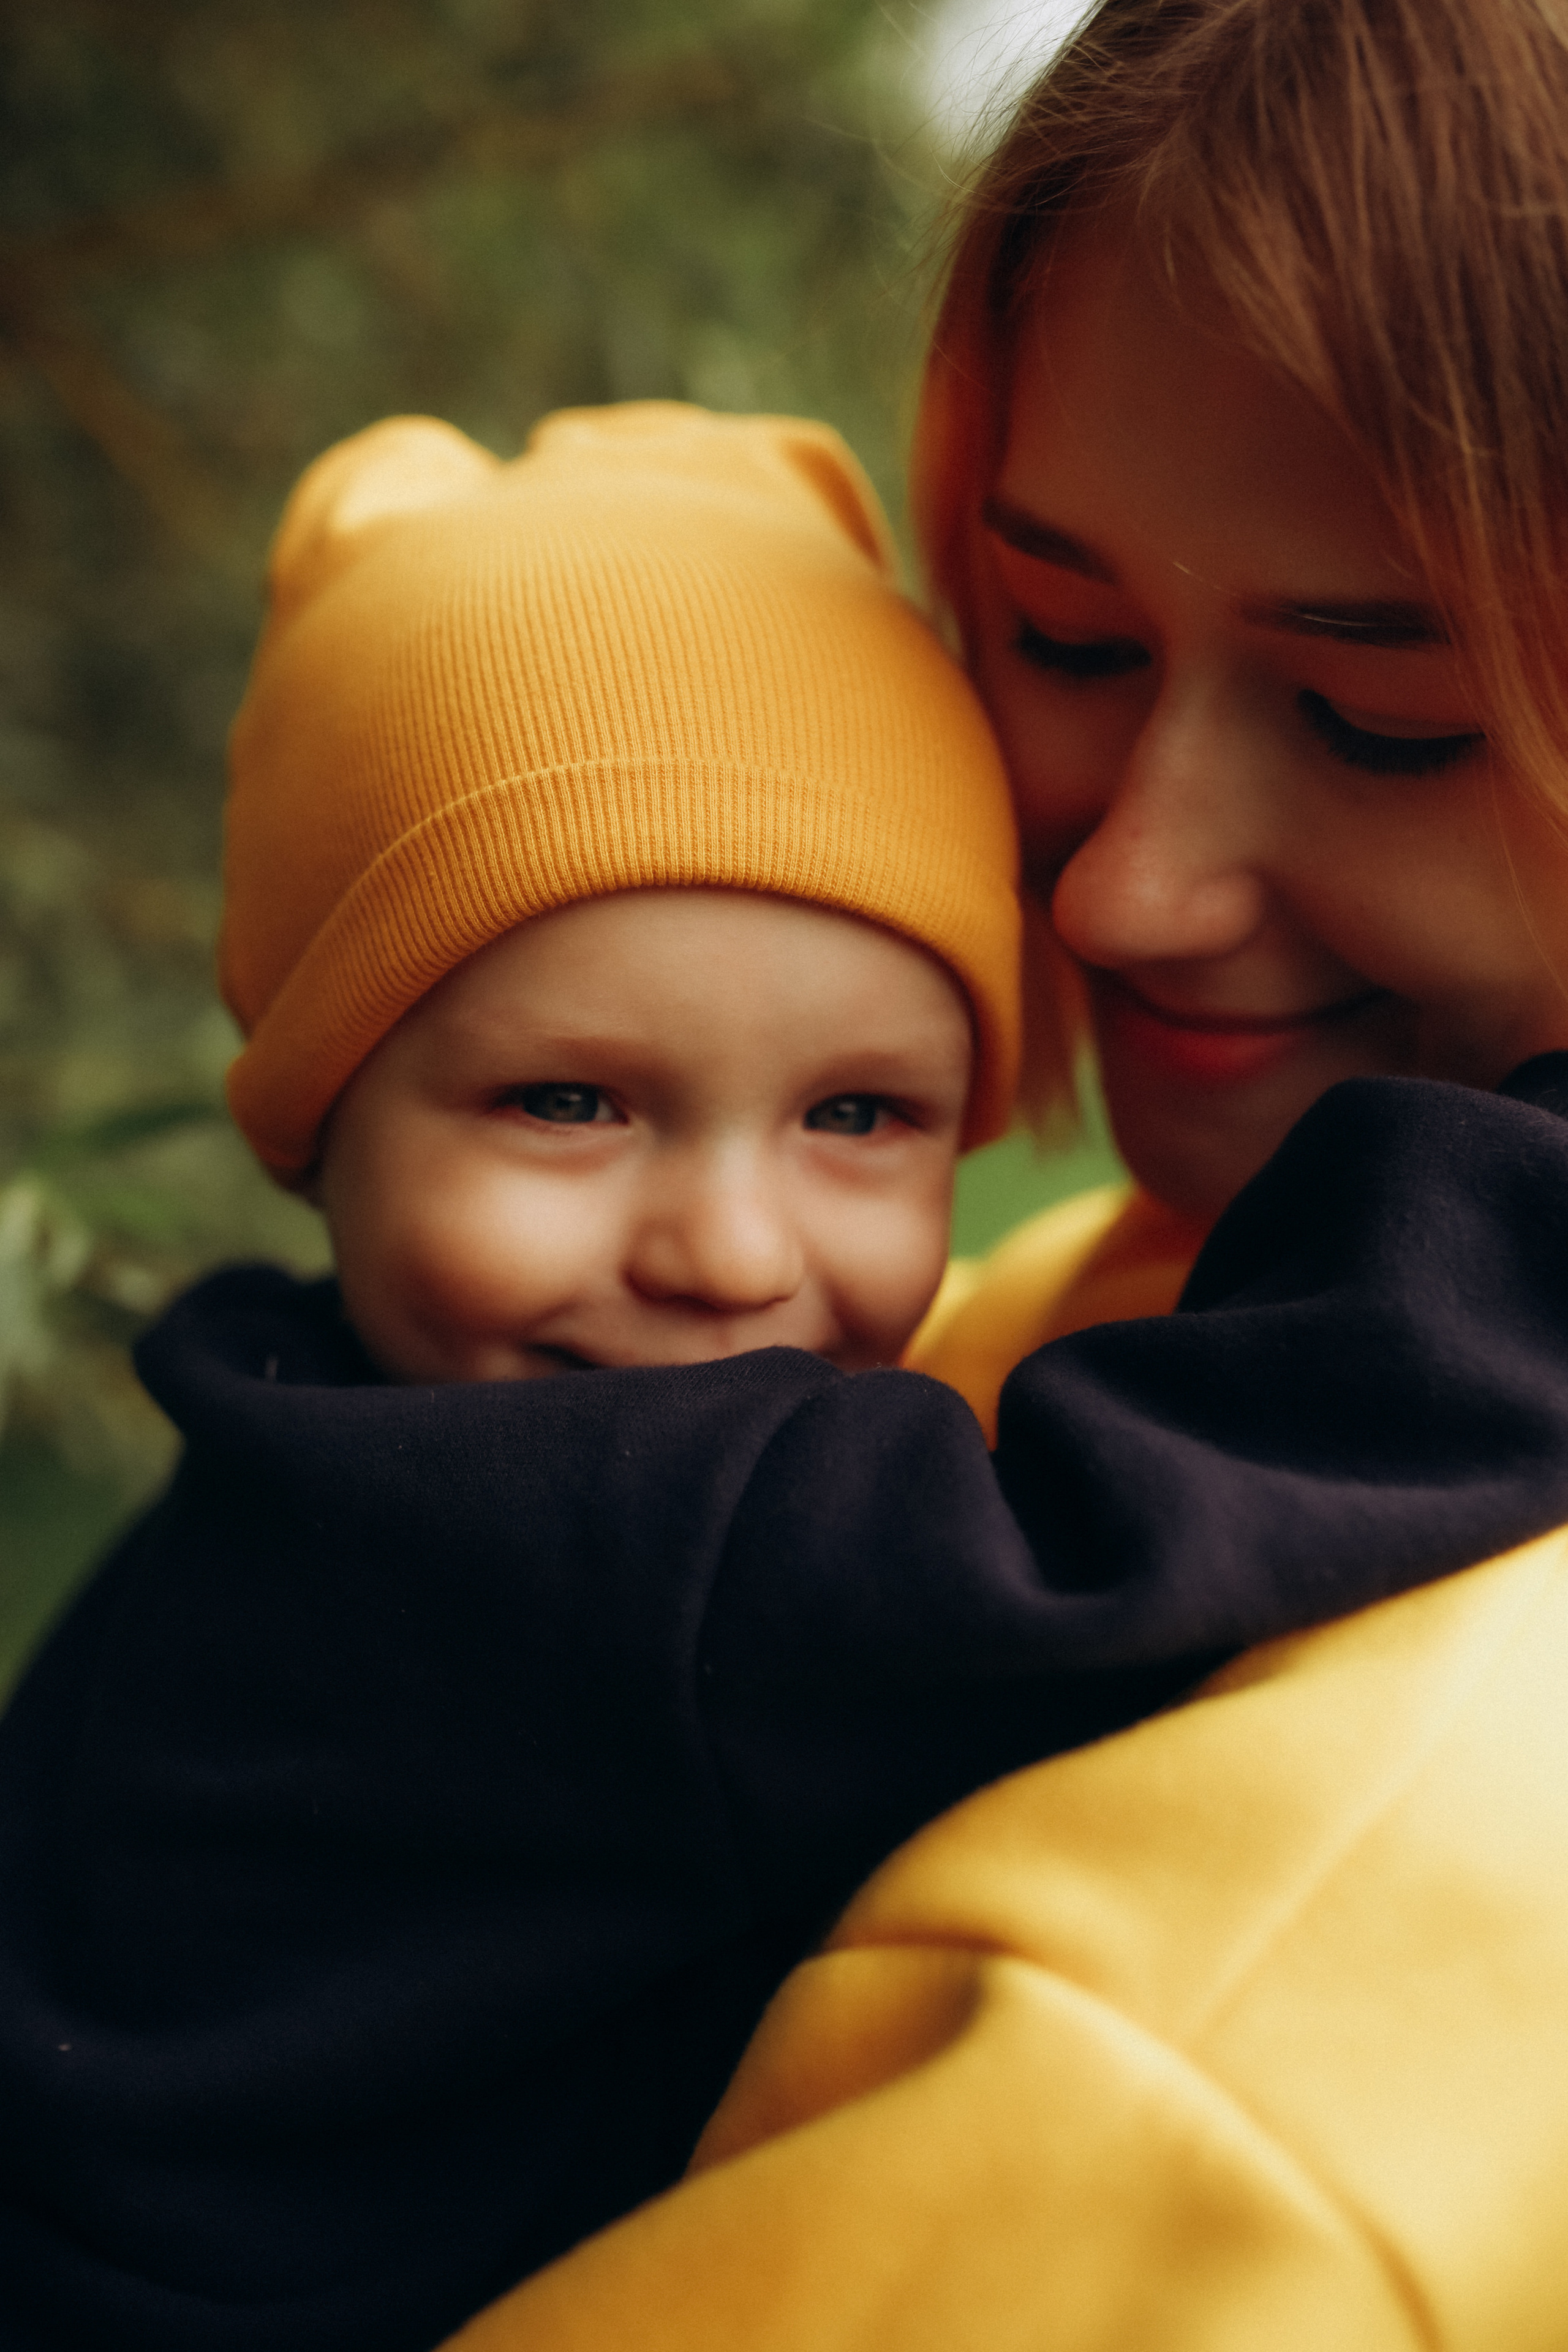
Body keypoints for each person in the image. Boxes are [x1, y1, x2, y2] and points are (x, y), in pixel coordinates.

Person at [20, 396, 1562, 2352]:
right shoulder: (607, 1555)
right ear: (319, 1116)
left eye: (857, 1113)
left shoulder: (288, 1440)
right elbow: (1141, 1519)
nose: (731, 1255)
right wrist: (1522, 1212)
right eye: (569, 1102)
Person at [422, 2, 1568, 2345]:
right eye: (1060, 634)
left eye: (1387, 719)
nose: (1125, 893)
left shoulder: (1235, 2030)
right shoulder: (1127, 1281)